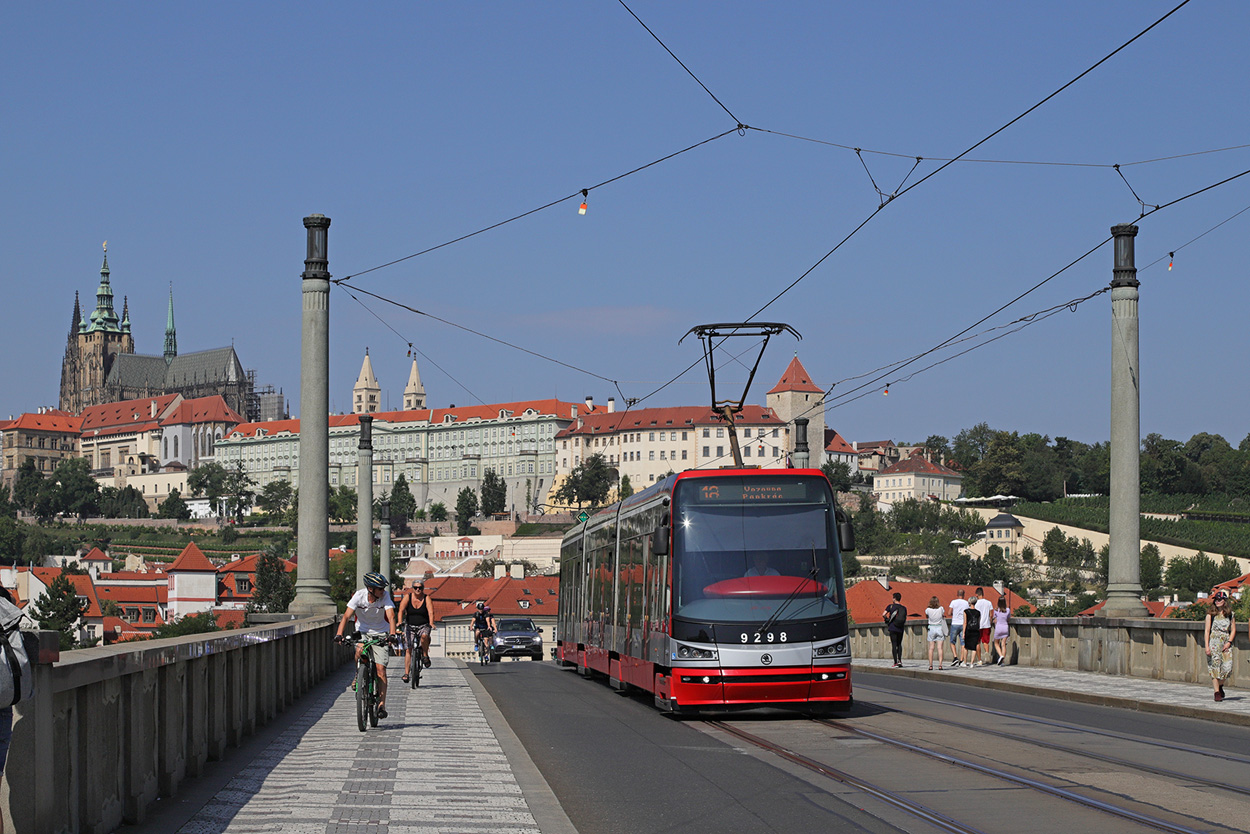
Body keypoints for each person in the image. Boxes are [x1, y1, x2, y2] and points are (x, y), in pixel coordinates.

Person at [334, 572, 397, 719]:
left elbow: (391, 616)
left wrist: (392, 635)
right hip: (362, 631)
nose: (382, 591)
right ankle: (358, 674)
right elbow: (346, 616)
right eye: (379, 589)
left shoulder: (385, 596)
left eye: (382, 588)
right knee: (359, 650)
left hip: (381, 633)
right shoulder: (359, 596)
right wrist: (339, 634)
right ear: (370, 589)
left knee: (381, 670)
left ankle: (381, 705)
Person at [397, 579, 436, 683]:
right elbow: (401, 610)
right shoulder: (408, 597)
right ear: (412, 588)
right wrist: (399, 621)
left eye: (420, 588)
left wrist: (431, 623)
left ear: (423, 588)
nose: (418, 589)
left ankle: (424, 654)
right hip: (410, 625)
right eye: (416, 588)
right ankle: (406, 673)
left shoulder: (427, 598)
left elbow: (431, 612)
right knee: (408, 649)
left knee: (424, 637)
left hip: (424, 625)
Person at [1205, 589, 1236, 702]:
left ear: (1224, 601)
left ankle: (1220, 685)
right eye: (1216, 600)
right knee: (1215, 667)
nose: (1217, 602)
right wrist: (1207, 646)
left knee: (1228, 668)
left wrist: (1229, 642)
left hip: (1225, 642)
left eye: (1219, 600)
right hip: (1214, 642)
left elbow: (1233, 630)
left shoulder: (1230, 615)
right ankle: (1216, 692)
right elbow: (1207, 631)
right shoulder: (1211, 615)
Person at [883, 592, 907, 667]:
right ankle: (900, 660)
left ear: (894, 598)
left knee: (894, 644)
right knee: (899, 644)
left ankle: (895, 662)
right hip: (900, 627)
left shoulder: (890, 606)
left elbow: (883, 614)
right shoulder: (904, 608)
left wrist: (887, 619)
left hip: (893, 627)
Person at [973, 587, 994, 667]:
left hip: (978, 625)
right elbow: (991, 615)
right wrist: (990, 622)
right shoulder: (988, 603)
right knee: (986, 641)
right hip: (986, 624)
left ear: (976, 595)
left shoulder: (976, 603)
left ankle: (979, 660)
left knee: (978, 642)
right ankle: (987, 655)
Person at [948, 589, 969, 667]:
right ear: (964, 594)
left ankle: (955, 656)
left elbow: (949, 613)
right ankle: (961, 660)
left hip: (955, 623)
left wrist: (955, 613)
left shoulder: (953, 602)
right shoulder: (966, 603)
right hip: (963, 623)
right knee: (963, 643)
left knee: (952, 642)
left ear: (957, 594)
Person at [924, 595, 946, 671]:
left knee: (931, 648)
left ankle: (930, 665)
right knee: (940, 648)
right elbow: (943, 615)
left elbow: (927, 616)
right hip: (939, 627)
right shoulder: (941, 609)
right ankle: (940, 665)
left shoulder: (928, 610)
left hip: (931, 628)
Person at [963, 592, 982, 667]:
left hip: (968, 629)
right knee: (974, 647)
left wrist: (964, 632)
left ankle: (964, 662)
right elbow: (978, 622)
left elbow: (965, 622)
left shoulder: (966, 611)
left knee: (966, 646)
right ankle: (971, 663)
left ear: (970, 602)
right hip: (976, 630)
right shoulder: (978, 612)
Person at [992, 596, 1010, 666]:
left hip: (998, 628)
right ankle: (1002, 662)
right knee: (1003, 644)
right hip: (1005, 627)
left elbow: (995, 619)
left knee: (996, 643)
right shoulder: (1008, 610)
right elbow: (1008, 619)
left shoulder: (996, 610)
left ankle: (1000, 655)